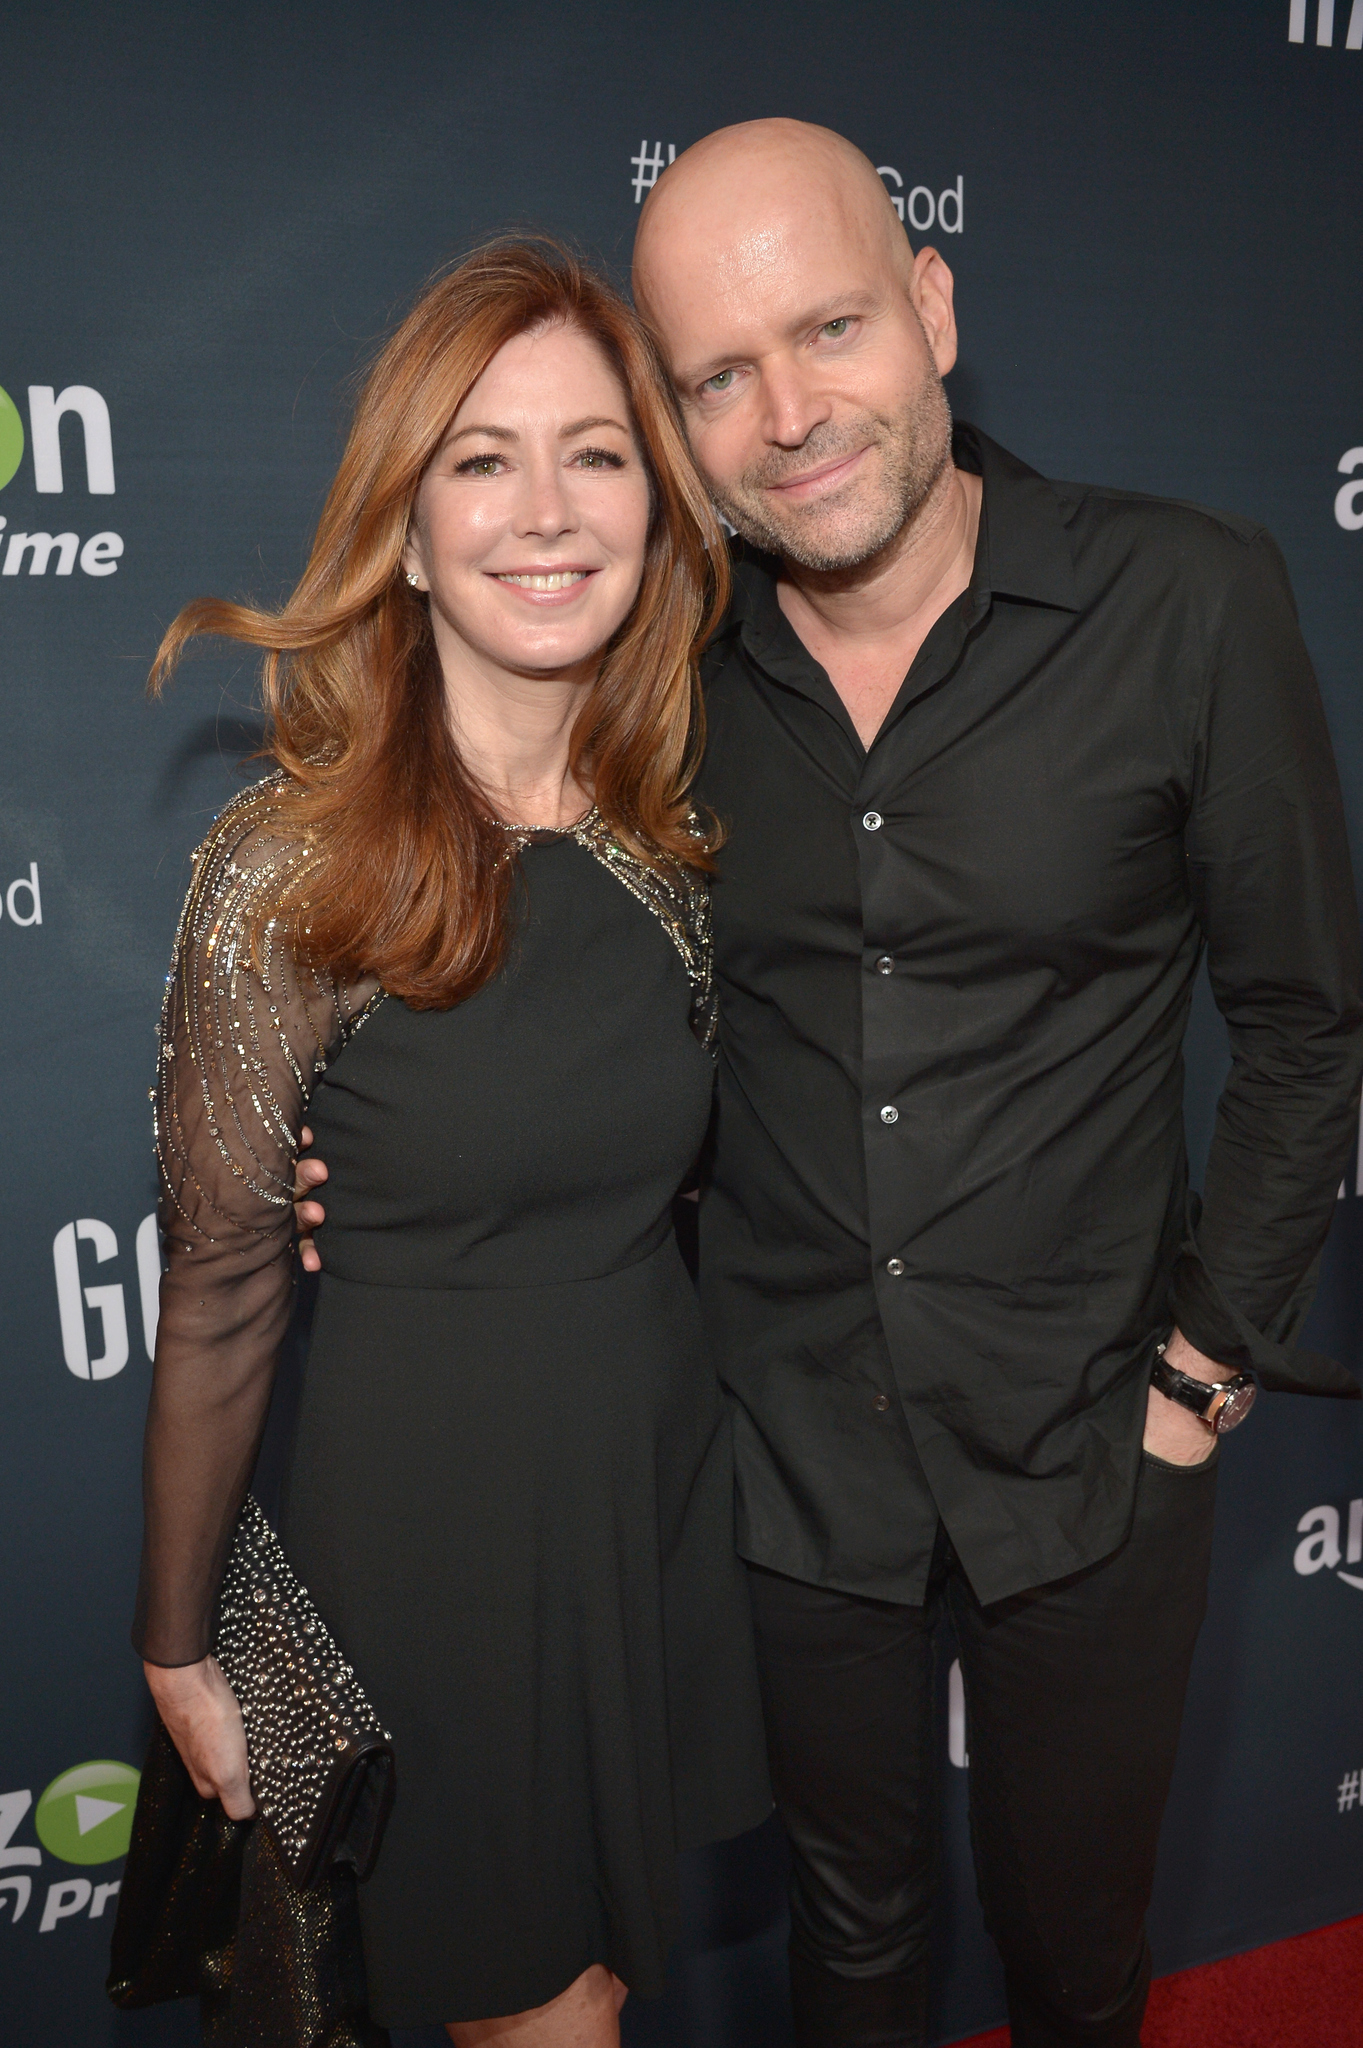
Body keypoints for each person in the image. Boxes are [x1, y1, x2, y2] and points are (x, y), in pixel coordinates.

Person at [297, 124, 1363, 2048]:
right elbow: (515, 944)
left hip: (1100, 1468)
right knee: (847, 1959)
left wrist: (1202, 1386)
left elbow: (1308, 1019)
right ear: (680, 415)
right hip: (783, 1472)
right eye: (715, 375)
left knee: (1077, 1966)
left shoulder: (1186, 602)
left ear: (935, 308)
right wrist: (359, 1169)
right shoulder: (657, 681)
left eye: (833, 329)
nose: (788, 414)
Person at [135, 239, 770, 2048]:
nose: (546, 508)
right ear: (406, 532)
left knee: (598, 1995)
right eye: (482, 459)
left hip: (647, 1498)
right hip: (428, 1529)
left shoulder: (685, 830)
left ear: (657, 506)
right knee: (537, 2007)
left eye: (597, 451)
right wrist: (177, 1639)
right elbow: (228, 1286)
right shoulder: (293, 863)